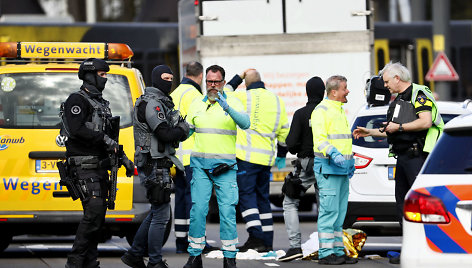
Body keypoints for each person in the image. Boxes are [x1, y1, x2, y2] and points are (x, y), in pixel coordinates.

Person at [63, 58, 134, 268]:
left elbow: (110, 139)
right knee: (93, 213)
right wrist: (103, 139)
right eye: (102, 75)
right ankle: (74, 263)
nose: (105, 79)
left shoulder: (102, 104)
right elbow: (77, 130)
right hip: (83, 166)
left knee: (97, 219)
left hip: (100, 167)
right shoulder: (76, 100)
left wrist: (124, 159)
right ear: (89, 76)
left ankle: (90, 263)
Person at [353, 62, 444, 225]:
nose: (385, 85)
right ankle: (408, 244)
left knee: (421, 203)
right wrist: (370, 132)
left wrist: (400, 127)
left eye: (387, 82)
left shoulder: (419, 93)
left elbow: (425, 122)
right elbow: (392, 129)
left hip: (418, 156)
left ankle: (423, 244)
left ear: (397, 78)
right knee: (402, 204)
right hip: (402, 158)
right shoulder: (399, 98)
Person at [121, 65, 190, 268]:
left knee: (156, 212)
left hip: (156, 162)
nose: (169, 81)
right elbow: (165, 134)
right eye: (165, 78)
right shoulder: (152, 104)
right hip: (154, 163)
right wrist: (183, 128)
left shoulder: (158, 102)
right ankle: (154, 261)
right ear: (155, 79)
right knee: (161, 215)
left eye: (171, 78)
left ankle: (134, 254)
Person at [184, 65, 250, 268]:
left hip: (225, 168)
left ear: (223, 83)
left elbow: (245, 123)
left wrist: (227, 107)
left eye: (216, 82)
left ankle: (229, 257)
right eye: (209, 82)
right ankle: (194, 256)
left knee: (228, 213)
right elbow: (186, 132)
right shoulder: (196, 103)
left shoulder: (233, 101)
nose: (212, 86)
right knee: (198, 211)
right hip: (200, 167)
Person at [226, 69, 289, 252]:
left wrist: (239, 76)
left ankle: (256, 237)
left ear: (246, 84)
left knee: (246, 196)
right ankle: (267, 241)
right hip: (266, 159)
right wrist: (282, 156)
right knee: (263, 199)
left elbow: (225, 92)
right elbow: (284, 132)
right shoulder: (277, 100)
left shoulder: (241, 98)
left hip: (246, 157)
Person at [170, 61, 216, 254]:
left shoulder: (173, 94)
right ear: (199, 77)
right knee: (195, 200)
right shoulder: (196, 96)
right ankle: (196, 242)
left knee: (180, 198)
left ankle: (181, 241)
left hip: (175, 157)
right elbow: (202, 126)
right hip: (192, 157)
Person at [311, 75, 357, 265]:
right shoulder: (321, 111)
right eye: (345, 88)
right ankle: (325, 253)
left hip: (341, 171)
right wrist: (335, 154)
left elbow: (343, 141)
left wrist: (350, 160)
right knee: (329, 213)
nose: (347, 91)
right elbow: (320, 140)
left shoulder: (338, 110)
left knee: (339, 214)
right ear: (334, 92)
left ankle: (337, 251)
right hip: (329, 170)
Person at [278, 76, 325, 262]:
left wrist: (299, 148)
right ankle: (327, 246)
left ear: (307, 92)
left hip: (306, 164)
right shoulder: (328, 112)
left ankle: (295, 246)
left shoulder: (301, 113)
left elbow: (290, 143)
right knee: (325, 207)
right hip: (326, 164)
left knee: (290, 202)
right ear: (323, 92)